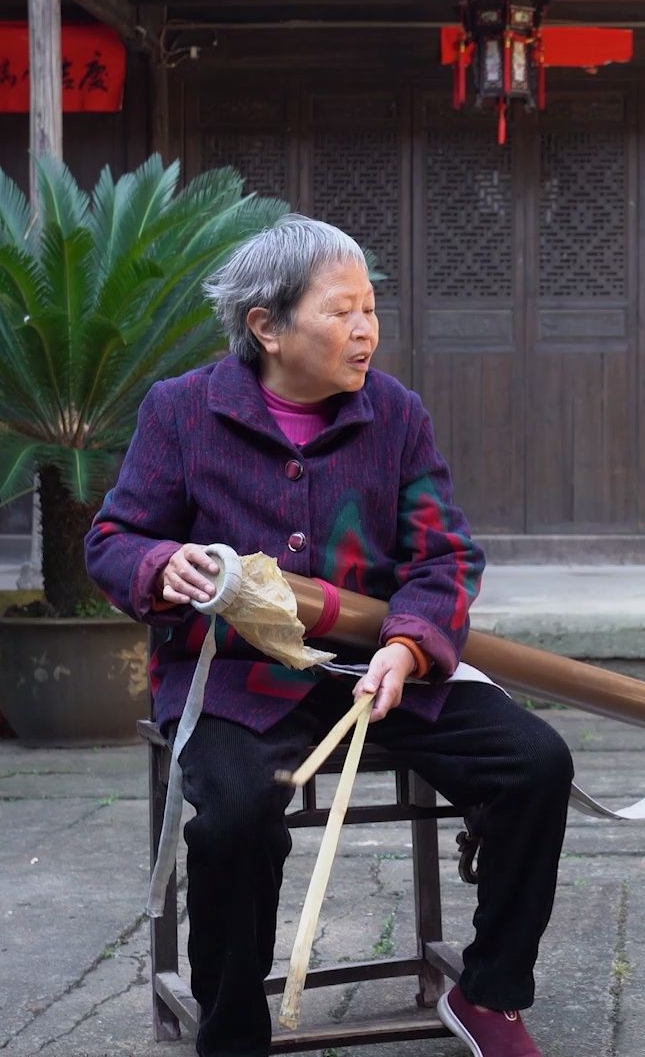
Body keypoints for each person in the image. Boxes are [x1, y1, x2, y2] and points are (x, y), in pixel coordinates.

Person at [85, 215, 567, 1057]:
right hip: (236, 679)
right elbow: (113, 540)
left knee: (534, 763)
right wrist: (163, 564)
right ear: (267, 327)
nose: (366, 329)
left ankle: (490, 994)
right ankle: (232, 1034)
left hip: (375, 668)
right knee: (234, 820)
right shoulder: (182, 412)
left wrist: (407, 645)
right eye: (342, 310)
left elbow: (444, 553)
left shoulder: (395, 414)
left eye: (371, 310)